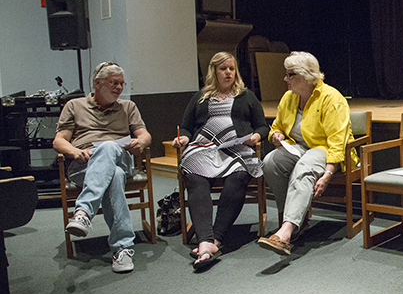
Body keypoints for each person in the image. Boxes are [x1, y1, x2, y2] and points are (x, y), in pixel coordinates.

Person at [172, 52, 268, 270]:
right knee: (195, 176)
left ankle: (214, 239)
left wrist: (256, 136)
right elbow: (186, 126)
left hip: (236, 148)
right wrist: (184, 137)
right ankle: (205, 239)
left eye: (232, 69)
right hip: (203, 148)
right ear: (214, 71)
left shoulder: (246, 96)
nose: (228, 73)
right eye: (223, 69)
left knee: (239, 176)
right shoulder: (200, 97)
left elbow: (262, 125)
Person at [54, 62, 152, 273]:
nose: (119, 88)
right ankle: (123, 248)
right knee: (114, 176)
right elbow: (59, 140)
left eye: (121, 84)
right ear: (97, 83)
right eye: (114, 83)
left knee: (109, 148)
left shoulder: (128, 107)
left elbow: (144, 134)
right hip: (84, 165)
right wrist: (74, 151)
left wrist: (141, 142)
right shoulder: (74, 105)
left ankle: (82, 212)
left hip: (120, 157)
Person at [257, 51, 357, 255]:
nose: (285, 79)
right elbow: (276, 126)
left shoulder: (332, 98)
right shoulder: (289, 98)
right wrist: (276, 135)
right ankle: (295, 220)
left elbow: (338, 141)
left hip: (324, 149)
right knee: (270, 162)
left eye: (290, 74)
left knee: (304, 167)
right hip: (297, 147)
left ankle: (286, 232)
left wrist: (329, 172)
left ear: (306, 76)